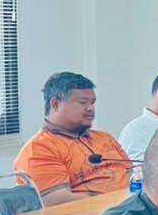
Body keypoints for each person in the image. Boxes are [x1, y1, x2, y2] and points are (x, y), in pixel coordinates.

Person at [15, 72, 132, 206]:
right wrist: (116, 201)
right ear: (55, 104)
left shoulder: (104, 138)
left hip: (130, 208)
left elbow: (134, 175)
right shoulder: (40, 148)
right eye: (83, 102)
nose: (91, 108)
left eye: (92, 103)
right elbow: (54, 201)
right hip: (94, 214)